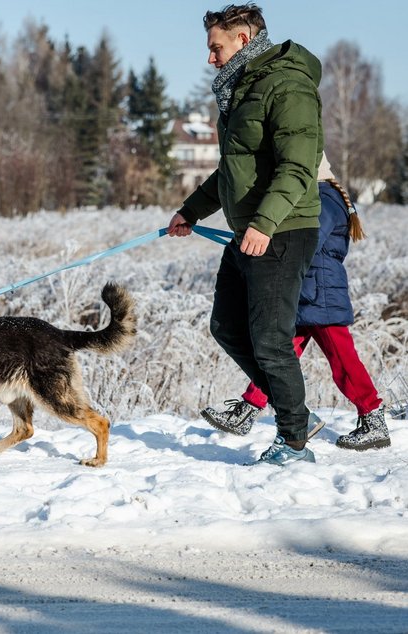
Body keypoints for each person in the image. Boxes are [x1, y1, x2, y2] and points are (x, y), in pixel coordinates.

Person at [166, 3, 324, 465]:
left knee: (271, 340)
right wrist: (191, 212)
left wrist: (264, 223)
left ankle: (294, 442)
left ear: (243, 38)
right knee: (227, 326)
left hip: (282, 230)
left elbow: (299, 167)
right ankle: (295, 413)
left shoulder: (287, 85)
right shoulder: (241, 90)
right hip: (250, 231)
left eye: (216, 48)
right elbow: (233, 172)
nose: (210, 58)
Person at [201, 153, 391, 450]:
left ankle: (373, 417)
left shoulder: (323, 198)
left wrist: (267, 242)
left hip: (319, 295)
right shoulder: (320, 195)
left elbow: (307, 240)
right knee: (277, 353)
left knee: (342, 363)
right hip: (305, 291)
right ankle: (248, 408)